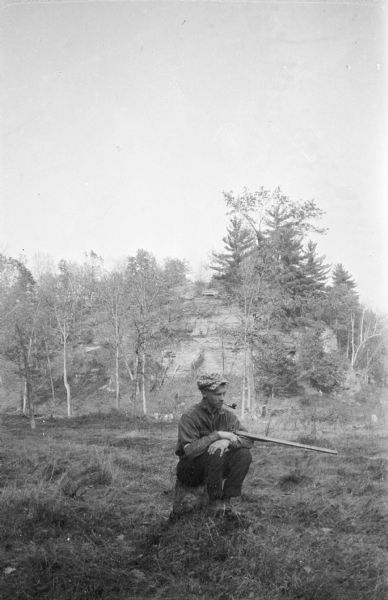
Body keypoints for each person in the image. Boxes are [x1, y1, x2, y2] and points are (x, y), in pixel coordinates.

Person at [175, 373, 253, 514]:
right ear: (204, 393)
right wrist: (217, 435)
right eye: (217, 394)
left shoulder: (228, 416)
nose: (222, 398)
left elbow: (248, 439)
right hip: (190, 471)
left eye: (224, 394)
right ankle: (215, 502)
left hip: (216, 468)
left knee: (244, 454)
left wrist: (226, 442)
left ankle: (228, 500)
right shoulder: (190, 416)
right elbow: (190, 451)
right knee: (215, 451)